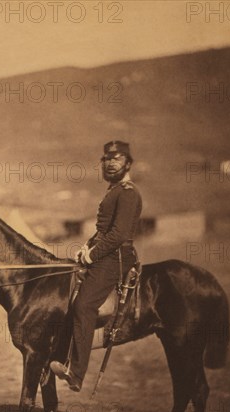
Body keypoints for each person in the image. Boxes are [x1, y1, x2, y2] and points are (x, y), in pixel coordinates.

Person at [50, 141, 142, 392]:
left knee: (84, 305)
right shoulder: (114, 190)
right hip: (105, 253)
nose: (110, 163)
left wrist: (93, 255)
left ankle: (76, 373)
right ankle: (58, 356)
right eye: (107, 159)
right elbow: (103, 230)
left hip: (116, 257)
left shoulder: (128, 193)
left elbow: (119, 234)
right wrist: (86, 247)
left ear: (128, 163)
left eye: (117, 158)